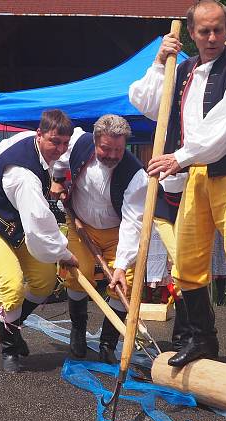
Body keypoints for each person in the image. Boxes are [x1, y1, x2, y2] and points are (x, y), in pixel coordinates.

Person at [130, 0, 226, 383]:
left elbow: (221, 131)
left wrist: (177, 158)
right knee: (187, 265)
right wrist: (156, 63)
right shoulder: (182, 70)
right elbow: (147, 103)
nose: (211, 37)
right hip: (195, 176)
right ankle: (203, 340)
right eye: (203, 31)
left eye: (217, 30)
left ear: (225, 29)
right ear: (192, 34)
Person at [53, 114, 176, 363]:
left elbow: (132, 224)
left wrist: (119, 267)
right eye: (105, 149)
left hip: (117, 231)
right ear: (96, 140)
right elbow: (59, 158)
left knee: (124, 285)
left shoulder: (136, 176)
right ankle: (78, 330)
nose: (111, 155)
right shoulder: (78, 142)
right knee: (80, 272)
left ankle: (108, 343)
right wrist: (57, 180)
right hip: (80, 224)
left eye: (118, 150)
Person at [0, 109, 79, 373]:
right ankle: (9, 348)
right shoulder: (24, 177)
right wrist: (63, 253)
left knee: (45, 281)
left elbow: (3, 150)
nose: (60, 149)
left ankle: (13, 326)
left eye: (65, 143)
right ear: (40, 135)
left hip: (14, 223)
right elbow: (40, 224)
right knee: (11, 284)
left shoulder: (31, 138)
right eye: (55, 142)